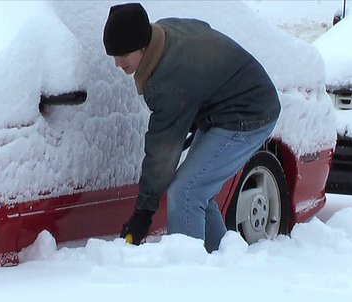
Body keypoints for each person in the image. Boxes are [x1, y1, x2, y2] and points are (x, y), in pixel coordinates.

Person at [103, 3, 281, 252]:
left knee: (186, 192)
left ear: (142, 46)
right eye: (113, 55)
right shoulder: (163, 34)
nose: (117, 63)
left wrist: (143, 213)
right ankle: (221, 259)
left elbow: (161, 154)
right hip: (222, 111)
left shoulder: (167, 82)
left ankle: (188, 278)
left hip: (249, 113)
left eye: (123, 55)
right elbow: (202, 33)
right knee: (196, 191)